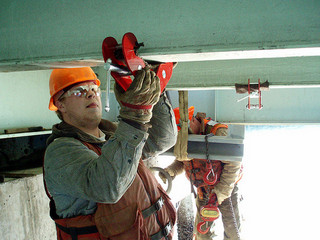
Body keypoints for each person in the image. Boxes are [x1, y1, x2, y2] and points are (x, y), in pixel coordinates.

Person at [43, 67, 178, 240]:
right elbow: (108, 187)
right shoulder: (60, 152)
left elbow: (162, 139)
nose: (91, 94)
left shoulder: (112, 136)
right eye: (79, 91)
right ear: (60, 104)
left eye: (94, 89)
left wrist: (153, 92)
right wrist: (135, 114)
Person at [160, 110, 243, 240]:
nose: (183, 135)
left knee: (233, 232)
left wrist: (220, 193)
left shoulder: (217, 132)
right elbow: (183, 162)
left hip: (226, 188)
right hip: (203, 190)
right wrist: (170, 171)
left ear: (192, 120)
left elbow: (233, 164)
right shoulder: (184, 138)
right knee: (202, 233)